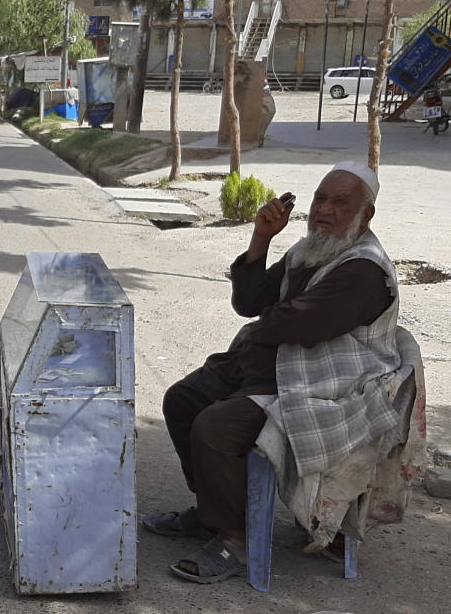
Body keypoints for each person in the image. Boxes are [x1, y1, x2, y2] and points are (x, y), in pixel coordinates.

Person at [146, 162, 400, 583]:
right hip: (278, 367)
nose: (324, 210)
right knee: (182, 399)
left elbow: (297, 324)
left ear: (365, 214)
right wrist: (261, 237)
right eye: (320, 198)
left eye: (340, 203)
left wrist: (260, 330)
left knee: (216, 426)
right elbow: (249, 302)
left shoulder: (364, 269)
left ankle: (235, 540)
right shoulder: (311, 249)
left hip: (326, 386)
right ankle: (215, 513)